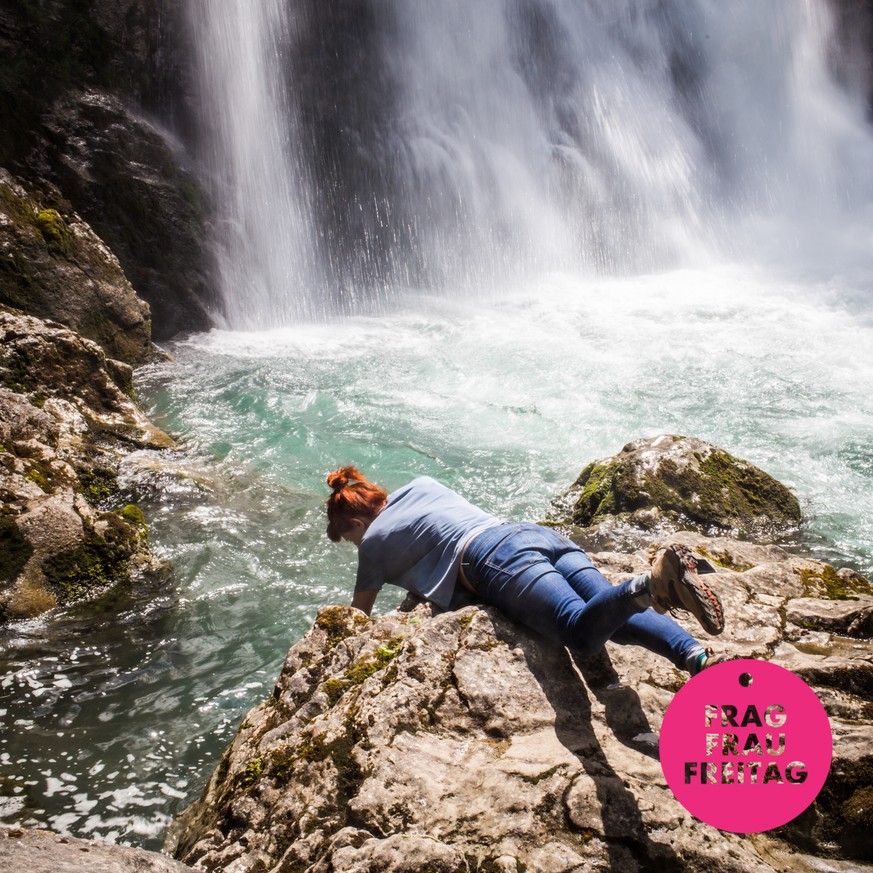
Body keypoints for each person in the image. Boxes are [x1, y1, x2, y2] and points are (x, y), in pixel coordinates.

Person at [325, 466, 729, 674]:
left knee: (580, 633)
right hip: (534, 534)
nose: (359, 545)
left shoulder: (373, 540)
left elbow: (355, 620)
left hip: (492, 556)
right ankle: (697, 658)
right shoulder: (423, 485)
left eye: (352, 539)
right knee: (608, 613)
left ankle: (653, 585)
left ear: (359, 525)